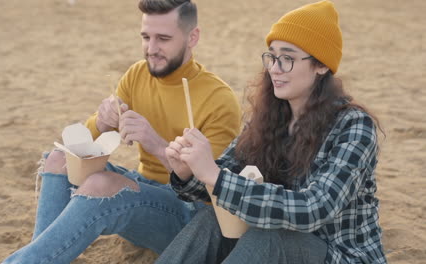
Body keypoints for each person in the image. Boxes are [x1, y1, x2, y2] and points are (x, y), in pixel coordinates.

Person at [2, 0, 241, 263]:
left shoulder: (219, 99)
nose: (151, 49)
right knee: (58, 160)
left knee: (102, 185)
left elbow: (215, 189)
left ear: (192, 37)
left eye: (163, 39)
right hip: (143, 193)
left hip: (191, 213)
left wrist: (157, 144)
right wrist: (101, 123)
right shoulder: (137, 74)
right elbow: (81, 144)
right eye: (146, 37)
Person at [156, 1, 387, 263]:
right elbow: (223, 176)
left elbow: (314, 208)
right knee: (213, 219)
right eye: (272, 56)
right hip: (275, 246)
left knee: (268, 237)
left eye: (287, 58)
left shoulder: (354, 126)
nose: (274, 68)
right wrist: (188, 173)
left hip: (340, 254)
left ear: (321, 66)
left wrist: (216, 176)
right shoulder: (270, 118)